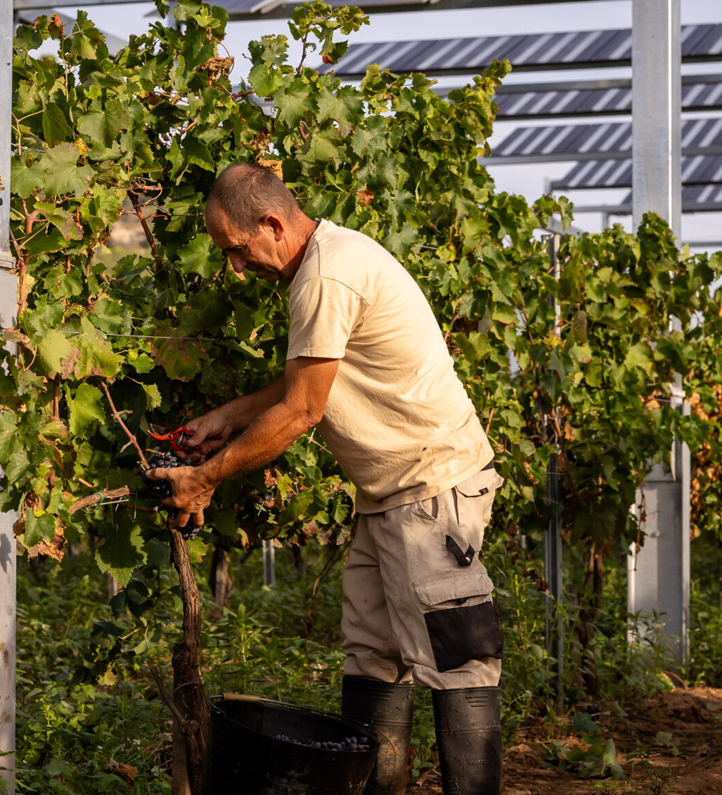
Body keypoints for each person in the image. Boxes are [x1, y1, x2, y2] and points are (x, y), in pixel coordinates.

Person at [148, 163, 503, 795]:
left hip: (432, 492)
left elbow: (305, 410)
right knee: (373, 662)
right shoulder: (323, 261)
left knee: (458, 667)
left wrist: (204, 479)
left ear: (272, 224)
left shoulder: (326, 274)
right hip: (387, 497)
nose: (236, 266)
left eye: (236, 249)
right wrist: (225, 419)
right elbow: (309, 382)